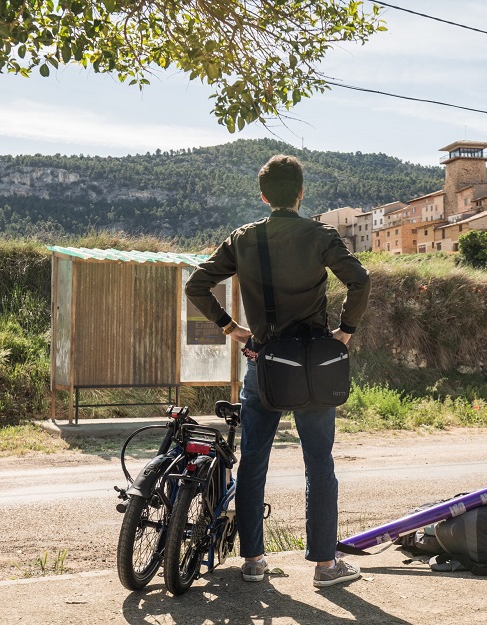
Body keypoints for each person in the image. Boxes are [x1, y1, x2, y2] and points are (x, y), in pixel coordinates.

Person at [185, 154, 371, 588]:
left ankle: (253, 561)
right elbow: (360, 281)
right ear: (302, 192)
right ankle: (325, 566)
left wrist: (231, 328)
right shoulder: (320, 235)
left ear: (264, 197)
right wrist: (345, 331)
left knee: (254, 462)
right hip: (312, 367)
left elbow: (197, 284)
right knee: (319, 463)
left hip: (263, 362)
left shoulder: (243, 238)